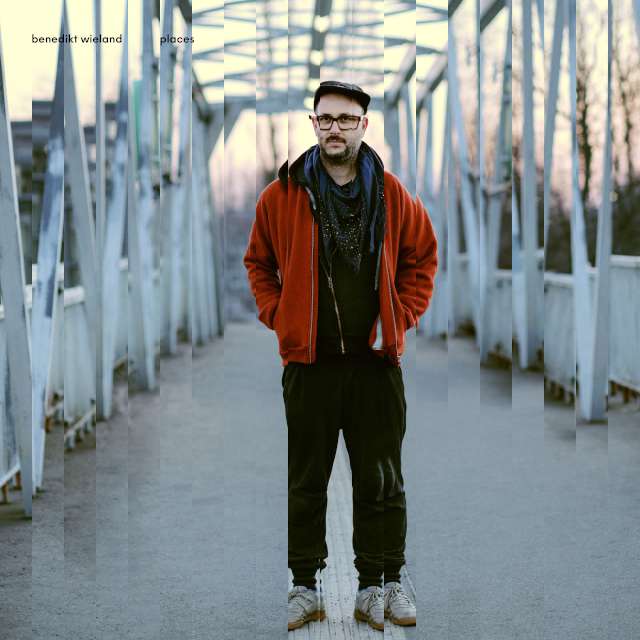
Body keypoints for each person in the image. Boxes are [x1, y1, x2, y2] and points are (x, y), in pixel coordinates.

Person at [243, 80, 438, 632]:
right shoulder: (281, 194)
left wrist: (402, 316)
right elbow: (258, 263)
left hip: (376, 364)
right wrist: (280, 316)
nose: (334, 128)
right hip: (310, 366)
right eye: (325, 118)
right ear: (313, 124)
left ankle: (381, 583)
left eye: (345, 119)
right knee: (306, 481)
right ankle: (304, 587)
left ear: (363, 126)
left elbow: (423, 258)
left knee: (382, 479)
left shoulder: (393, 194)